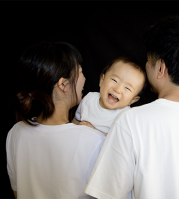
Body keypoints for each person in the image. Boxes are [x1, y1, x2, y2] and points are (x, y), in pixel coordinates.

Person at [84, 15, 179, 199]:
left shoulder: (131, 121)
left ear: (161, 68)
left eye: (148, 60)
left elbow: (105, 194)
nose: (146, 66)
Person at [6, 41, 105, 199]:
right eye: (80, 72)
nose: (84, 78)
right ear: (63, 84)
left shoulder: (16, 132)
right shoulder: (93, 139)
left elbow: (18, 193)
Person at [73, 57, 146, 136]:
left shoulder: (126, 117)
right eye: (115, 80)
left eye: (127, 88)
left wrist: (92, 130)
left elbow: (116, 142)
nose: (118, 89)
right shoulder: (89, 99)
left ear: (132, 100)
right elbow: (75, 122)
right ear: (102, 80)